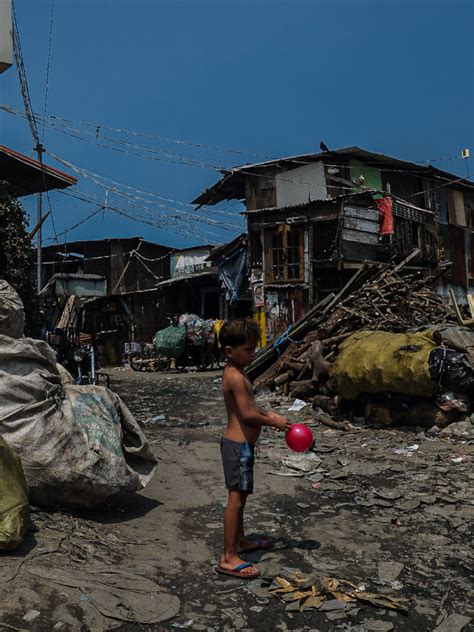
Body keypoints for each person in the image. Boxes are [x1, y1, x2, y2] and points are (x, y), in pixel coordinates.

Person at [216, 319, 292, 579]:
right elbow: (247, 415)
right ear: (229, 351)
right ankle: (228, 557)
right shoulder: (235, 376)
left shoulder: (238, 372)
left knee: (242, 498)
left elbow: (249, 406)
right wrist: (272, 421)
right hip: (238, 447)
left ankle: (240, 542)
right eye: (248, 349)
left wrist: (267, 412)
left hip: (242, 447)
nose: (254, 353)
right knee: (235, 502)